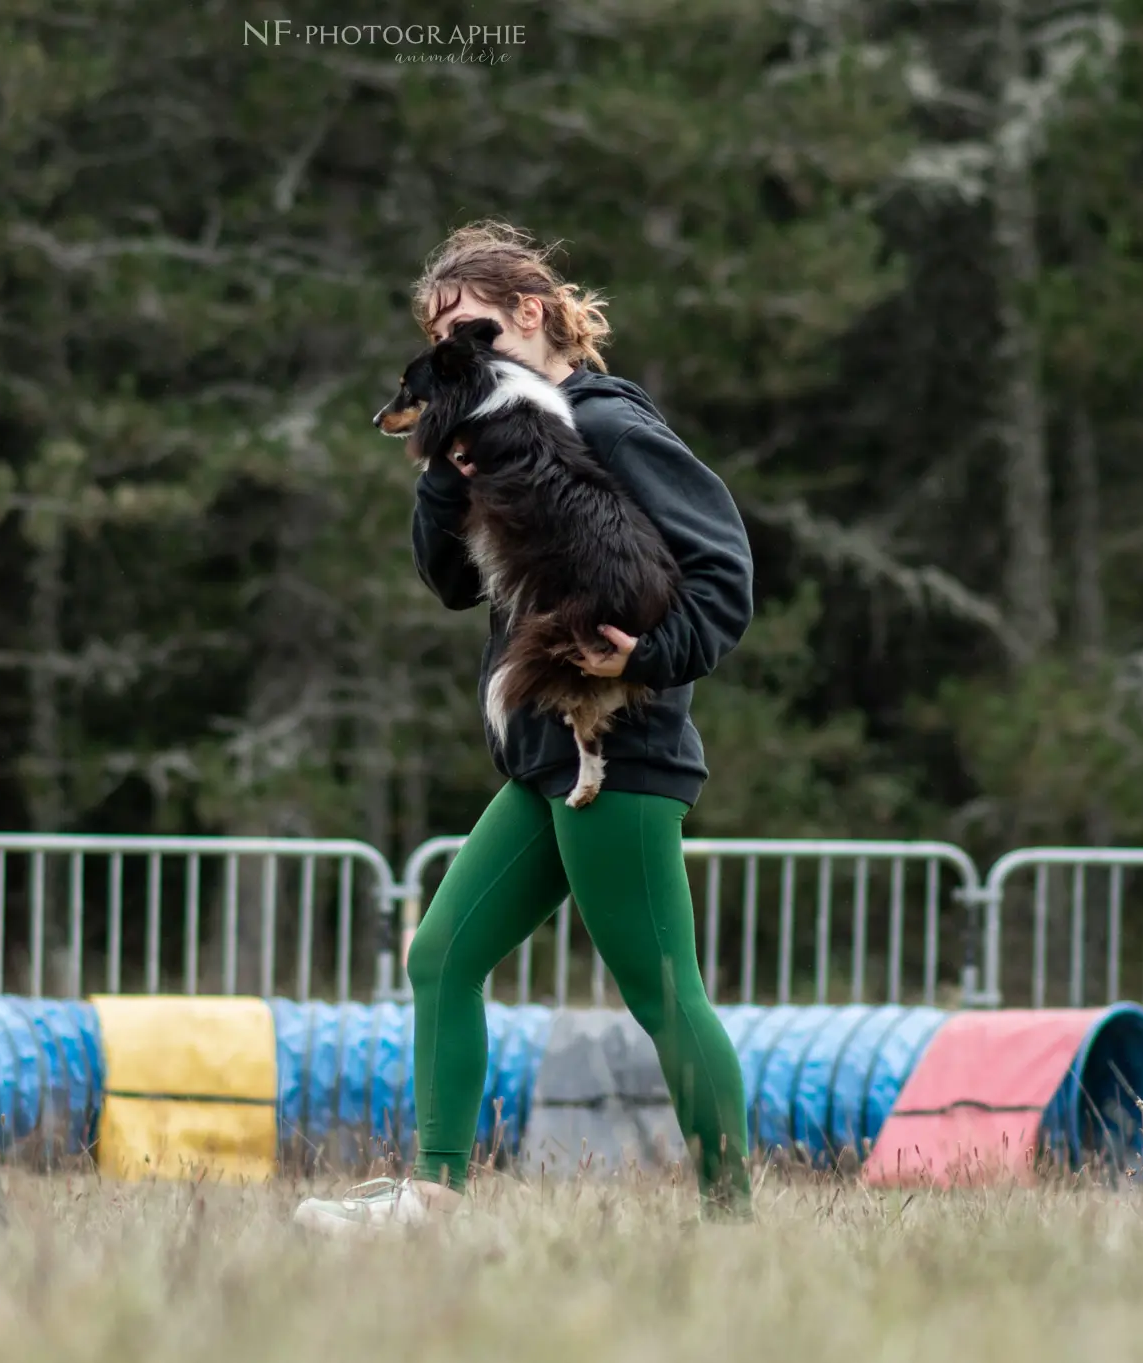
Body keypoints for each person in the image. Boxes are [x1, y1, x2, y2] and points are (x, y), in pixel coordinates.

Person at [293, 221, 758, 1234]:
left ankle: (731, 1220)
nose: (459, 351)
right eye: (442, 338)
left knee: (661, 990)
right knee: (441, 955)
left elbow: (725, 579)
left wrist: (638, 656)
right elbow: (451, 582)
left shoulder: (607, 421)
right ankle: (434, 1193)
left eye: (476, 330)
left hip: (621, 753)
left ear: (535, 313)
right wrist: (439, 460)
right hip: (542, 761)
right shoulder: (488, 431)